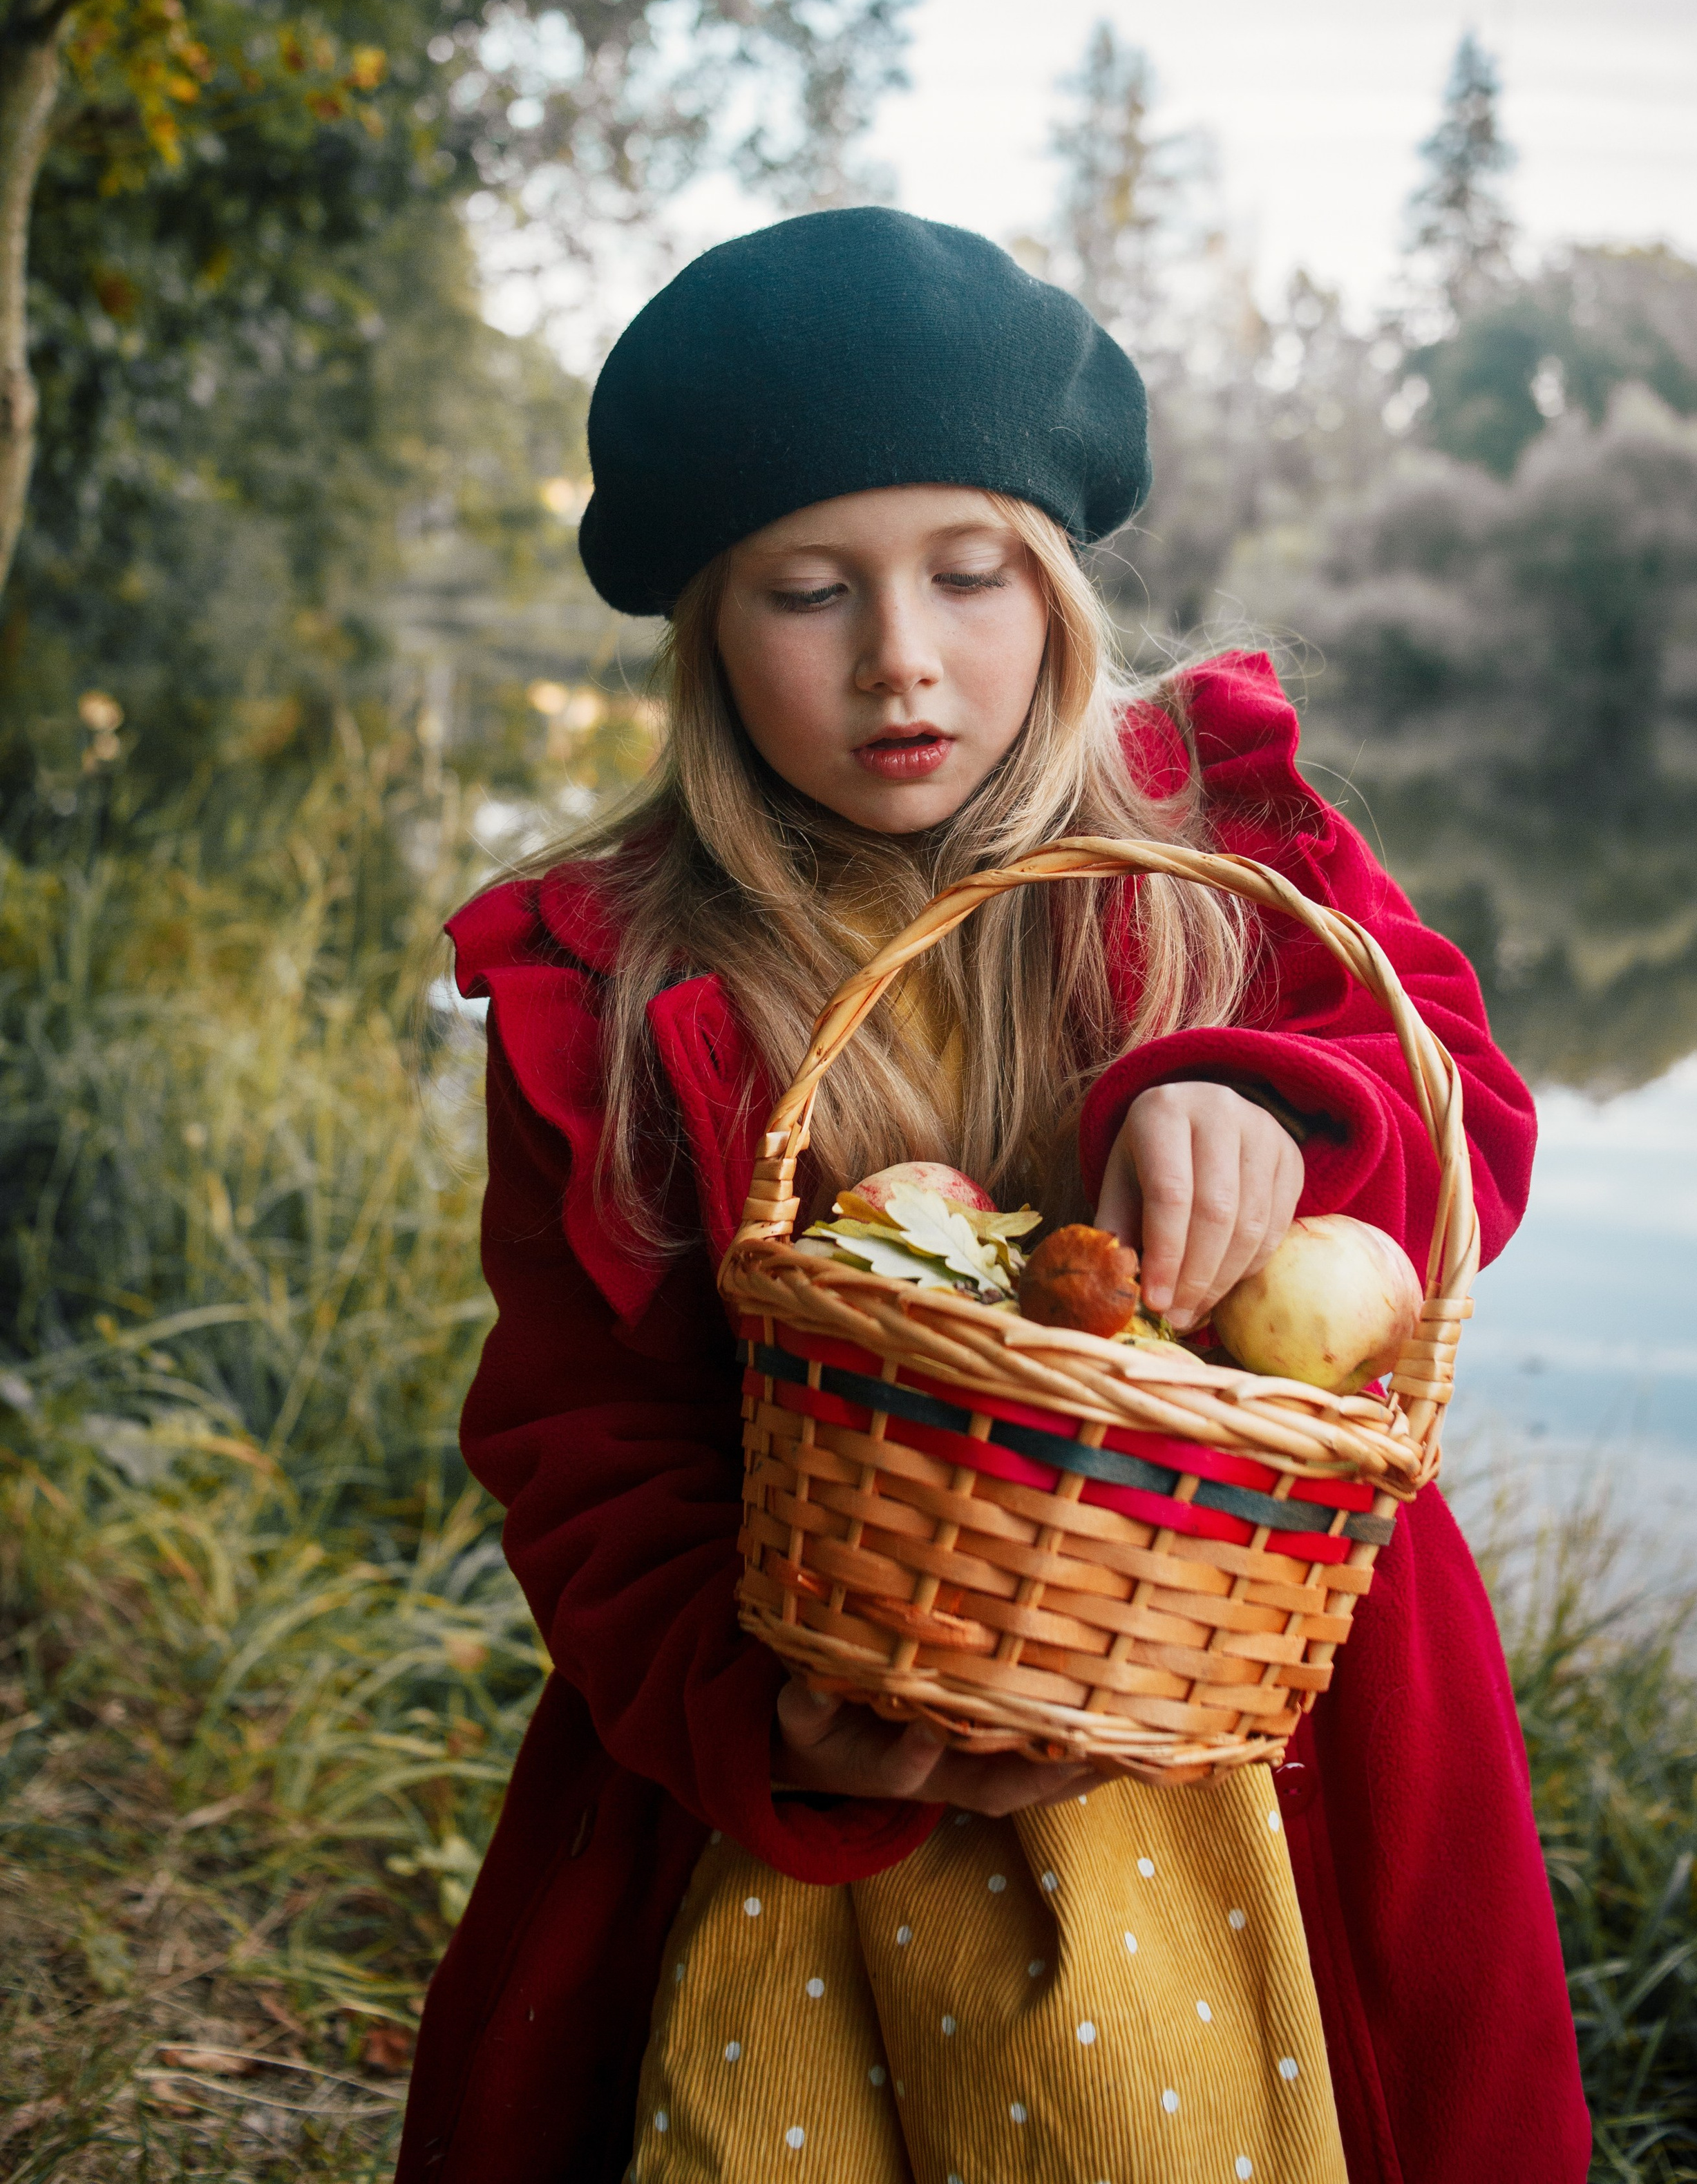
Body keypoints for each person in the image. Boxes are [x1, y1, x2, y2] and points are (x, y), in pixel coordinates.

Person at [395, 209, 1589, 2184]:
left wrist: (1268, 1096)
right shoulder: (614, 985)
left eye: (970, 574)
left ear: (1053, 586)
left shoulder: (1207, 849)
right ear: (704, 629)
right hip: (828, 1761)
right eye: (805, 592)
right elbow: (577, 1438)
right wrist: (751, 1711)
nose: (902, 662)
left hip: (1252, 1746)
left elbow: (1461, 1108)